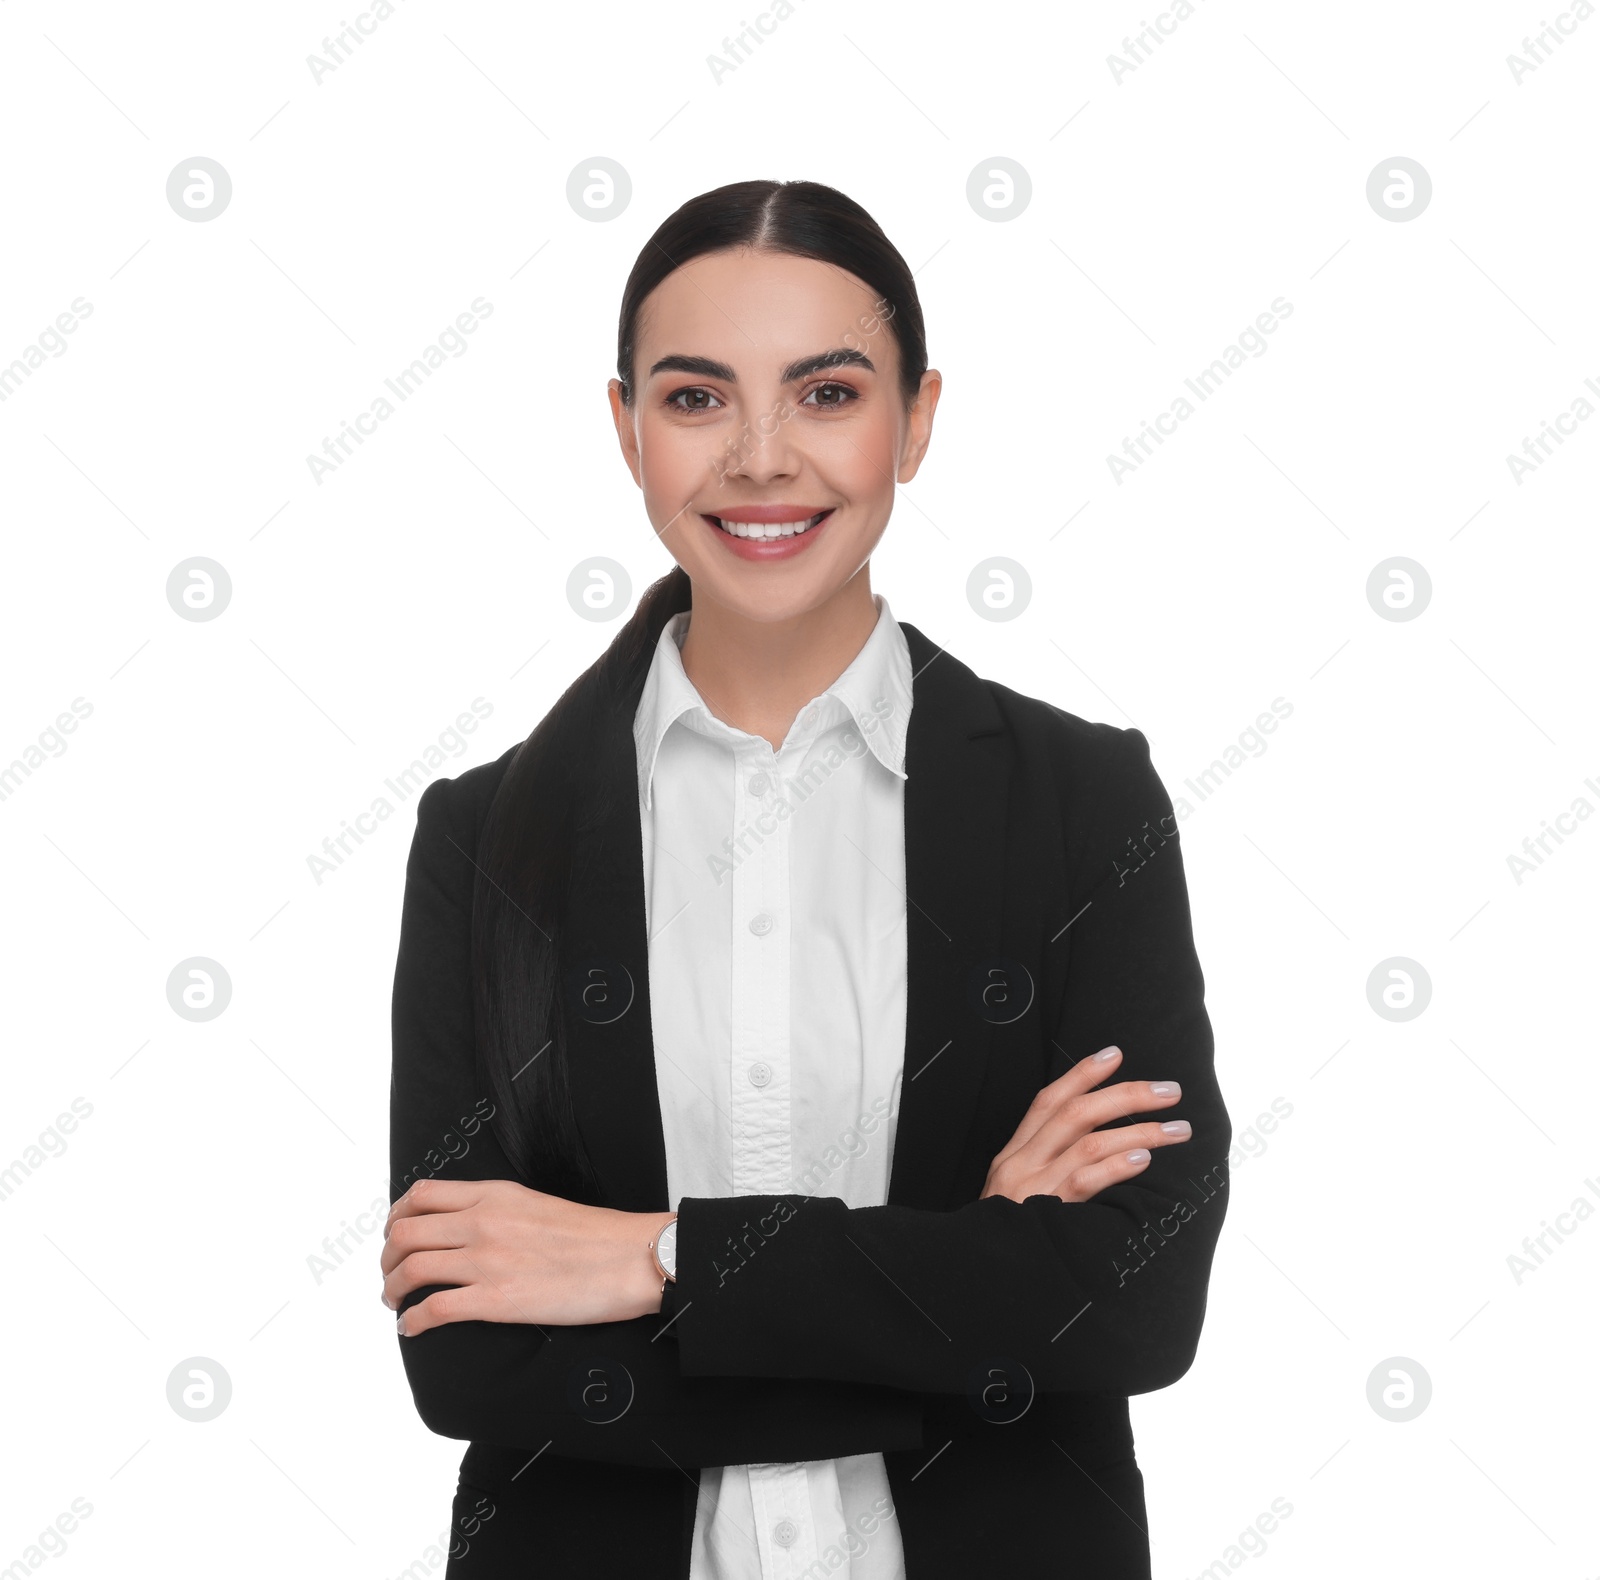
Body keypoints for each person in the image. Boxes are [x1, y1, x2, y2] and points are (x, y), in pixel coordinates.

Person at [380, 178, 1231, 1579]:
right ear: (626, 429)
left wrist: (656, 1259)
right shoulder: (485, 838)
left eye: (828, 394)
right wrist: (964, 1276)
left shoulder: (1080, 802)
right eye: (698, 399)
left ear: (921, 418)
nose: (762, 459)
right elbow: (469, 1360)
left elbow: (1132, 1306)